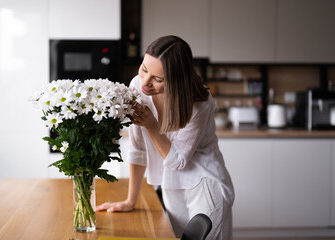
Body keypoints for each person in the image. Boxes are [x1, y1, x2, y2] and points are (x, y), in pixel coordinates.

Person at [95, 35, 235, 240]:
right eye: (144, 69)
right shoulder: (137, 87)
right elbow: (138, 149)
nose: (145, 82)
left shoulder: (198, 103)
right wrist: (130, 201)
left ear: (177, 81)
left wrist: (152, 124)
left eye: (158, 79)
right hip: (170, 183)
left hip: (204, 183)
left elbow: (178, 160)